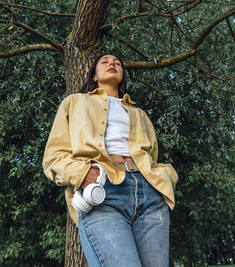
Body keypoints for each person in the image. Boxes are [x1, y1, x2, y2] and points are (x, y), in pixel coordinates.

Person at [42, 54, 178, 267]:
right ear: (94, 76)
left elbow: (151, 155)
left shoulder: (139, 113)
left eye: (117, 63)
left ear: (122, 75)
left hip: (151, 196)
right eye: (104, 62)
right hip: (104, 193)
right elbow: (53, 157)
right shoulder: (74, 103)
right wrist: (83, 174)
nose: (112, 64)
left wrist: (165, 178)